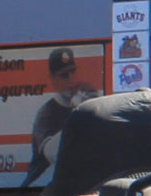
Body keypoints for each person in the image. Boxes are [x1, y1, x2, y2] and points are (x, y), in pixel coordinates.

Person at [22, 47, 97, 186]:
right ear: (52, 79)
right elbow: (53, 154)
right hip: (38, 189)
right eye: (64, 75)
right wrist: (78, 112)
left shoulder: (85, 102)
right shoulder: (46, 114)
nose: (71, 79)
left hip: (73, 185)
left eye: (73, 72)